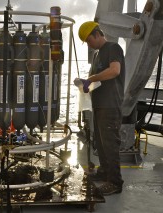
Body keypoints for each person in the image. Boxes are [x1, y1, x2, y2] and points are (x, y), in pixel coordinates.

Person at [77, 21, 125, 196]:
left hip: (110, 105)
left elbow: (114, 71)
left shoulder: (113, 48)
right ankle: (105, 172)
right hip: (99, 105)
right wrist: (85, 84)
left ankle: (115, 182)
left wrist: (92, 77)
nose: (89, 45)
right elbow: (98, 80)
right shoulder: (98, 54)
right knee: (101, 143)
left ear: (96, 34)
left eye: (89, 40)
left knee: (110, 144)